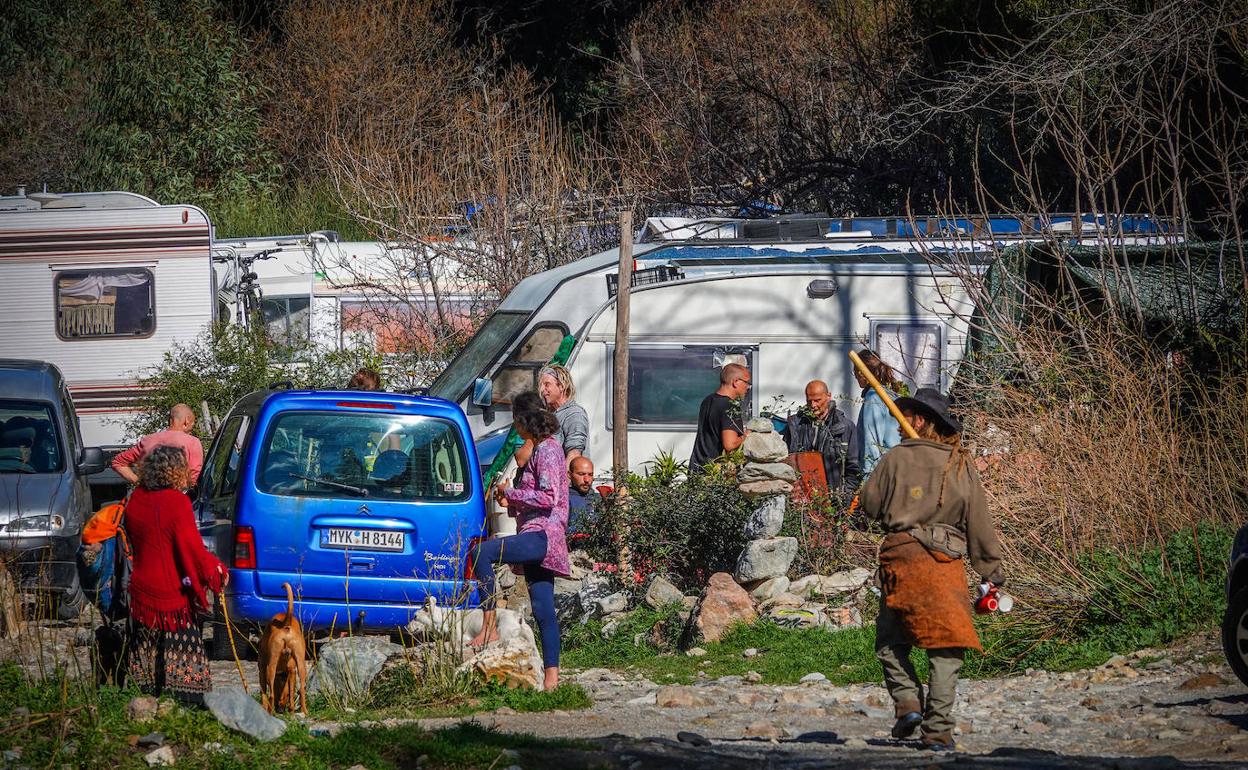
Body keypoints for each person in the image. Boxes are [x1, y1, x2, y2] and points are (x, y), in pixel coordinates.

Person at [858, 388, 1005, 751]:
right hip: (944, 564)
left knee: (891, 643)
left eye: (902, 419)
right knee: (947, 646)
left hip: (901, 560)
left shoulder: (894, 458)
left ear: (919, 421)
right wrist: (991, 572)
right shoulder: (960, 463)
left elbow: (870, 506)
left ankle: (908, 703)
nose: (896, 428)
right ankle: (938, 732)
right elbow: (979, 523)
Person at [468, 408, 569, 691]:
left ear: (527, 424)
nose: (514, 426)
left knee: (481, 553)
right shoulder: (541, 450)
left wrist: (511, 493)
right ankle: (551, 682)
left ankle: (488, 627)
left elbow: (549, 497)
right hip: (538, 534)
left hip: (542, 535)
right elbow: (534, 499)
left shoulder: (547, 450)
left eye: (517, 421)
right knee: (543, 608)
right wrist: (511, 499)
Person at [123, 445, 229, 706]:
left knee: (145, 649)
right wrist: (216, 571)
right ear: (176, 471)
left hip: (142, 593)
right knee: (184, 651)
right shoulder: (178, 502)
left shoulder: (135, 498)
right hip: (174, 596)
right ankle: (185, 700)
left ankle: (145, 699)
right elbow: (191, 548)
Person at [784, 379, 860, 495]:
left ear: (828, 396)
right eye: (809, 401)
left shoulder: (844, 427)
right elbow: (786, 462)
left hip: (834, 499)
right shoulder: (795, 425)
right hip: (802, 497)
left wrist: (844, 497)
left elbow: (854, 468)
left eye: (817, 400)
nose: (813, 405)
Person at [111, 404, 204, 488]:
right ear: (187, 420)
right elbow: (194, 477)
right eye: (193, 424)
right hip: (178, 499)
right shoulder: (193, 442)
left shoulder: (147, 441)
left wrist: (139, 482)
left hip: (149, 499)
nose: (192, 428)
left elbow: (118, 462)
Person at [689, 363, 750, 471]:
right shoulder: (730, 407)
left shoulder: (708, 400)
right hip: (716, 473)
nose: (748, 387)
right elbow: (730, 444)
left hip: (698, 467)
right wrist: (746, 435)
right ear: (735, 382)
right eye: (746, 382)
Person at [855, 349, 904, 476]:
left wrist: (868, 481)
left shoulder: (873, 398)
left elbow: (872, 443)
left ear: (861, 373)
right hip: (896, 467)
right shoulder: (888, 394)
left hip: (883, 473)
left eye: (854, 372)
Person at [538, 365, 589, 466]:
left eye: (547, 384)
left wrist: (562, 481)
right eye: (541, 385)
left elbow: (574, 454)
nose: (542, 389)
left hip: (559, 480)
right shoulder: (548, 414)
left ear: (562, 386)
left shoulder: (574, 414)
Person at [567, 456, 600, 536]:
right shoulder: (564, 500)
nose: (586, 480)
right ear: (569, 475)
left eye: (590, 475)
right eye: (581, 474)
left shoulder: (599, 499)